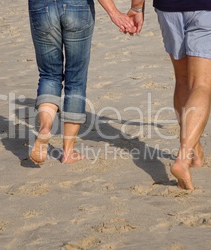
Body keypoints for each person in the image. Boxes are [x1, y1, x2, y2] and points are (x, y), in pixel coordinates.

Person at [127, 0, 211, 189]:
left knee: (183, 81)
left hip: (169, 8)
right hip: (210, 6)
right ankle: (183, 159)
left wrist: (136, 6)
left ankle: (195, 151)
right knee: (202, 86)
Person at [28, 0, 138, 165]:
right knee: (76, 79)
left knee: (49, 75)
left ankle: (45, 128)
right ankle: (68, 152)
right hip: (77, 6)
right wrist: (114, 13)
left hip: (40, 6)